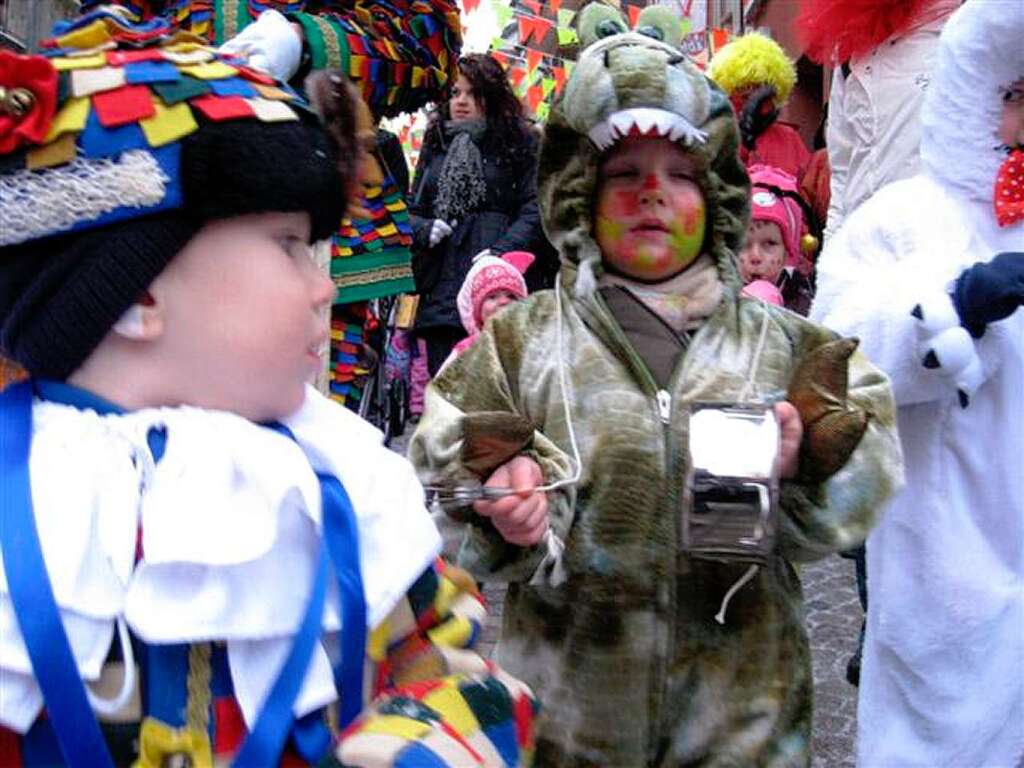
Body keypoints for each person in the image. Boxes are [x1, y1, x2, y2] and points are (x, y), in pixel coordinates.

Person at [0, 20, 536, 766]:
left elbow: (451, 672)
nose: (324, 285)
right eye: (288, 246)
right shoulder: (19, 493)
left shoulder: (346, 481)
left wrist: (410, 748)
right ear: (138, 293)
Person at [409, 3, 902, 764]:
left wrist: (808, 459)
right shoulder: (522, 342)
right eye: (625, 175)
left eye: (681, 175)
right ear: (577, 193)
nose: (653, 194)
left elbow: (870, 438)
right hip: (572, 721)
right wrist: (496, 494)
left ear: (720, 201)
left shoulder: (782, 345)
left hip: (746, 722)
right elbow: (440, 453)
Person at [809, 1, 1024, 764]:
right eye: (1017, 95)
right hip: (946, 572)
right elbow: (835, 343)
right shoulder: (911, 217)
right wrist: (942, 320)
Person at [409, 53, 546, 376]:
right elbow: (412, 208)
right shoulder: (437, 142)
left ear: (492, 96)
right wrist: (424, 228)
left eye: (473, 93)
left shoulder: (519, 141)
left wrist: (502, 253)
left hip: (500, 283)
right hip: (444, 281)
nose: (461, 101)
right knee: (446, 381)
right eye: (455, 93)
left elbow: (535, 205)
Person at [798, 0, 960, 240]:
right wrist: (833, 251)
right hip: (863, 247)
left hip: (936, 244)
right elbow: (842, 170)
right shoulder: (850, 60)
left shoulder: (960, 37)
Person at [707, 32, 811, 180]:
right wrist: (743, 136)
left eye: (760, 86)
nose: (752, 92)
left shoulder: (789, 138)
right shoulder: (717, 134)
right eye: (743, 86)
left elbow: (806, 190)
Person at [739, 164, 818, 316]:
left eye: (769, 243)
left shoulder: (806, 304)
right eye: (743, 243)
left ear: (787, 253)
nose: (756, 257)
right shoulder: (713, 294)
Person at [446, 250, 536, 366]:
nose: (504, 302)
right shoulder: (467, 351)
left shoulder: (533, 347)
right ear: (477, 311)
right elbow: (443, 383)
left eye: (511, 296)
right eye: (492, 297)